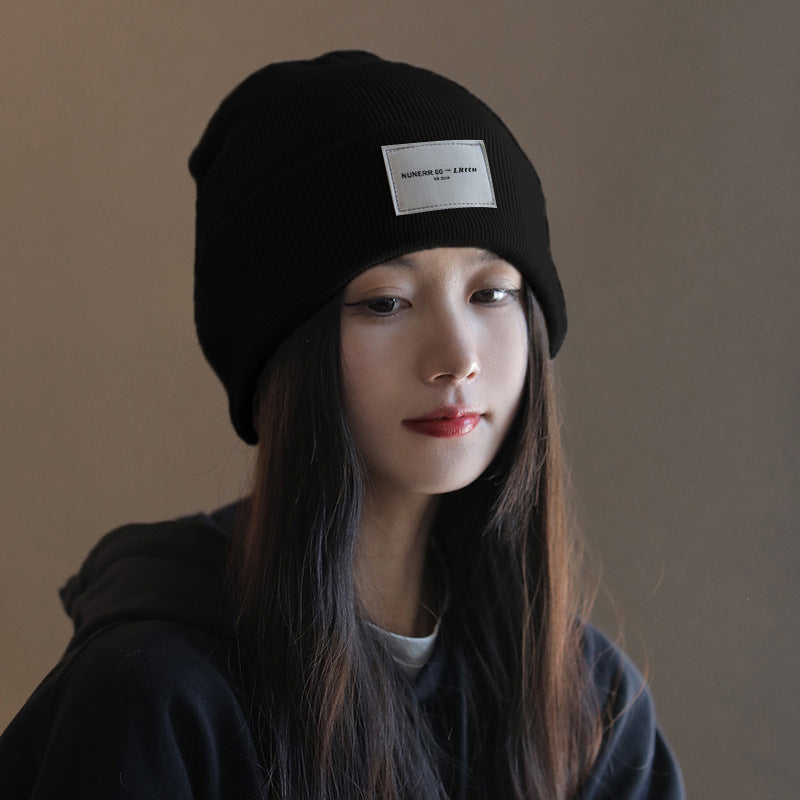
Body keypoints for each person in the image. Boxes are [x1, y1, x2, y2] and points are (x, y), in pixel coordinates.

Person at [0, 51, 684, 799]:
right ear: (284, 355)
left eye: (491, 293)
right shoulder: (156, 700)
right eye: (386, 303)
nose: (456, 358)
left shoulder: (587, 705)